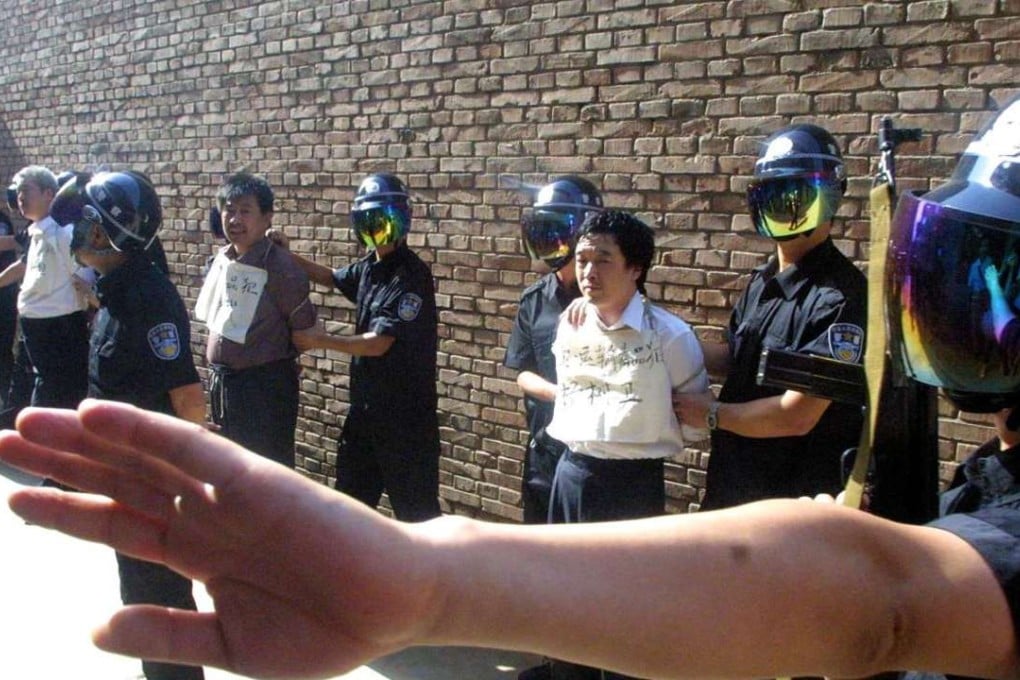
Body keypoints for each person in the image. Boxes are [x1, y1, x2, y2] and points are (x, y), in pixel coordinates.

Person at [7, 101, 1020, 680]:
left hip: (779, 484)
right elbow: (727, 356)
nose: (575, 267)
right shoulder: (754, 285)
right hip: (699, 484)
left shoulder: (840, 293)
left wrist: (436, 572)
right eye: (976, 284)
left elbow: (877, 592)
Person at [47, 170, 207, 680]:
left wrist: (189, 483)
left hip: (152, 483)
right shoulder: (114, 289)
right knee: (139, 591)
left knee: (162, 598)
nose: (71, 230)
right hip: (124, 477)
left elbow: (187, 397)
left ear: (102, 233)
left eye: (81, 221)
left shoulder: (148, 297)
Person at [674, 124, 867, 509]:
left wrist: (710, 414)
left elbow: (797, 416)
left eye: (797, 197)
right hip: (734, 485)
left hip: (791, 503)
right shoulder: (764, 280)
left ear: (830, 199)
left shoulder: (839, 298)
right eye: (773, 197)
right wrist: (664, 339)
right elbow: (736, 357)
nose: (785, 209)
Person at [273, 173, 441, 522]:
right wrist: (286, 257)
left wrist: (320, 340)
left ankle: (433, 579)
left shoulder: (410, 277)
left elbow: (379, 344)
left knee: (419, 516)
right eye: (370, 224)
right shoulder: (370, 267)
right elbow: (331, 277)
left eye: (385, 223)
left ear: (401, 222)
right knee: (348, 510)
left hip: (404, 424)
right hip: (364, 416)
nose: (378, 232)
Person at [546, 210, 708, 527]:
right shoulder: (570, 322)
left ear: (635, 268)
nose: (589, 272)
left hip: (631, 487)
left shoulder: (670, 336)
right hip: (569, 473)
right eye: (582, 260)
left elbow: (695, 423)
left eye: (603, 260)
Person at [194, 172, 316, 467]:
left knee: (265, 475)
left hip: (263, 392)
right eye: (229, 210)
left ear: (267, 218)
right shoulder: (221, 261)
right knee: (230, 471)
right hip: (225, 387)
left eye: (245, 211)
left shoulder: (280, 267)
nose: (235, 220)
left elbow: (304, 331)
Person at [504, 176, 602, 524]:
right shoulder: (534, 300)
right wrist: (558, 393)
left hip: (596, 457)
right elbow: (522, 370)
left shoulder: (611, 297)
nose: (552, 241)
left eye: (559, 231)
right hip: (545, 450)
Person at [0, 165, 90, 409]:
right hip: (34, 328)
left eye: (27, 191)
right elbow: (25, 265)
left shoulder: (62, 233)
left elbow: (84, 276)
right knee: (23, 389)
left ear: (49, 194)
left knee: (56, 395)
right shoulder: (36, 230)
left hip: (59, 329)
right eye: (18, 192)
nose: (20, 198)